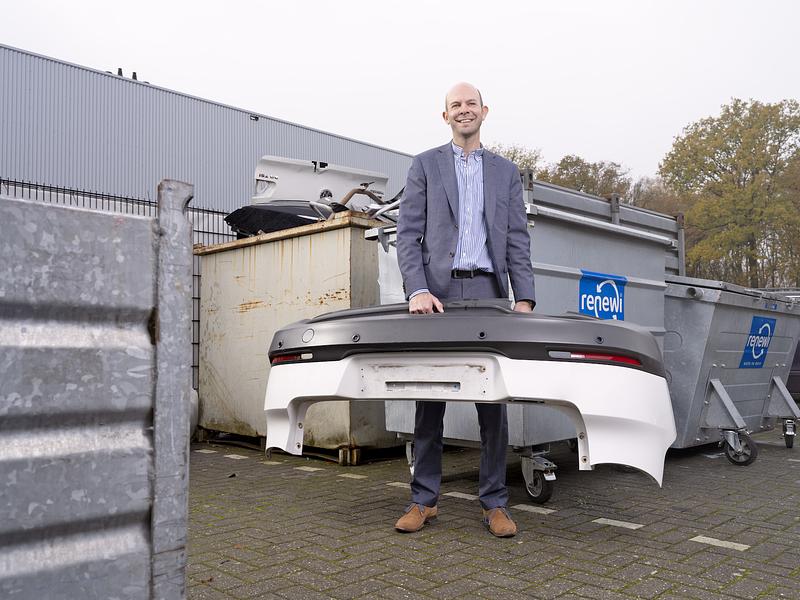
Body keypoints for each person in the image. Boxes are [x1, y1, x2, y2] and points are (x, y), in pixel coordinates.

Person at [395, 82, 536, 538]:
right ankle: (424, 500)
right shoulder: (424, 166)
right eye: (455, 105)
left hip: (490, 294)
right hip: (436, 297)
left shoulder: (505, 172)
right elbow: (408, 234)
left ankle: (495, 503)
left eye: (470, 104)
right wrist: (416, 288)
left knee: (492, 403)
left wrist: (524, 297)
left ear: (484, 112)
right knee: (429, 399)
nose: (463, 111)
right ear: (445, 115)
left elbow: (517, 238)